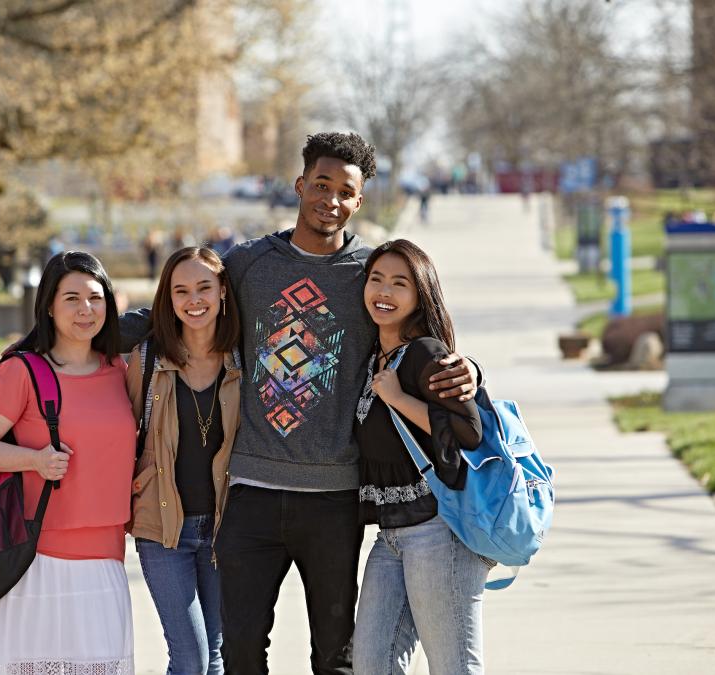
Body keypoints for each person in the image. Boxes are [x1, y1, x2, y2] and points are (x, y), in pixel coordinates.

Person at [120, 132, 480, 674]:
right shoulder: (247, 264)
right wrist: (60, 339)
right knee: (239, 652)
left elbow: (420, 332)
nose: (329, 200)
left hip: (335, 498)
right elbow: (179, 306)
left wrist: (469, 370)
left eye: (344, 191)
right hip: (250, 492)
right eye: (320, 184)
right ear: (299, 185)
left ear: (358, 201)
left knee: (333, 658)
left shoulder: (368, 273)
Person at [0, 251, 136, 675]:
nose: (85, 309)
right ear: (49, 307)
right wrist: (34, 460)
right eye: (71, 298)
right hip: (35, 562)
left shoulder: (120, 369)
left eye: (95, 297)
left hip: (105, 560)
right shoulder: (23, 372)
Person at [352, 240, 488, 675]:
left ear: (420, 294)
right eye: (376, 280)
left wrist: (397, 399)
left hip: (436, 531)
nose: (384, 292)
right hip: (389, 536)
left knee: (452, 666)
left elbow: (468, 432)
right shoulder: (372, 355)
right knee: (373, 665)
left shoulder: (426, 353)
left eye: (399, 283)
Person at [126, 246, 242, 674]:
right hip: (162, 529)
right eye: (181, 291)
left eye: (204, 288)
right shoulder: (146, 360)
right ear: (168, 299)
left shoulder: (242, 361)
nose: (194, 300)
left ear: (223, 290)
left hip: (223, 527)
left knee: (215, 656)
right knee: (190, 659)